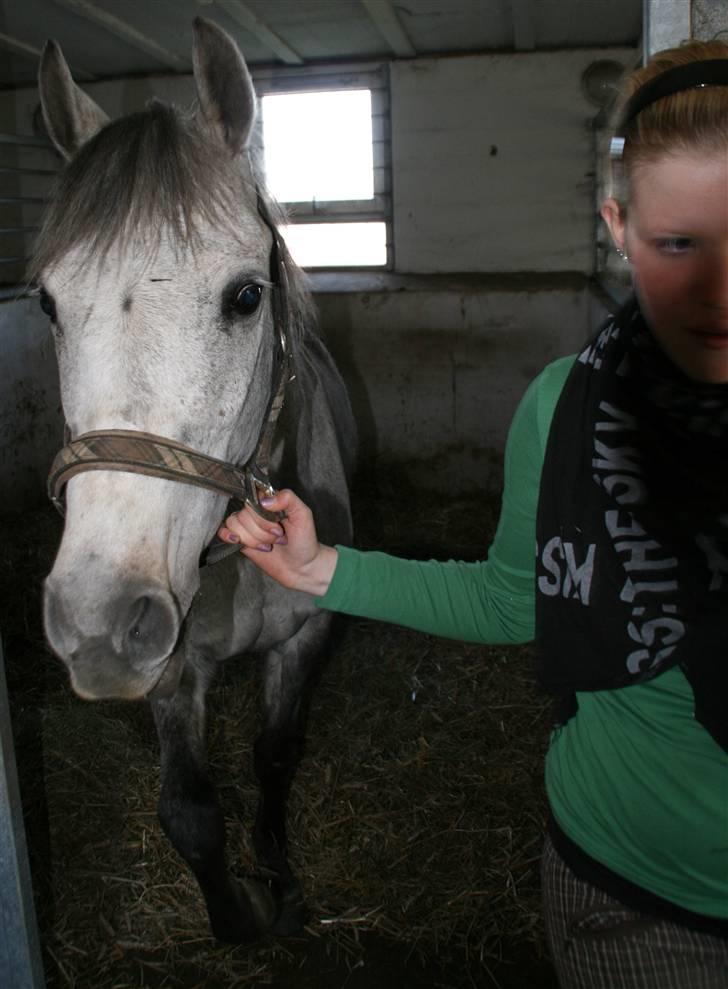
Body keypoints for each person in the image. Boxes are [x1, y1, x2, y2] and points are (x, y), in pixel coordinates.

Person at [219, 40, 728, 989]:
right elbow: (512, 601)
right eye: (678, 243)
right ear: (619, 227)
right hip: (630, 902)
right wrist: (323, 568)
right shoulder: (561, 411)